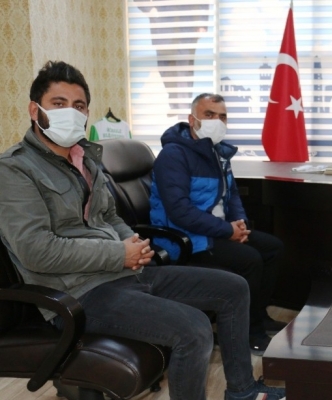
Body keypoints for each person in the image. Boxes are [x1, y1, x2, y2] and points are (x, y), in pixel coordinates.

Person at [0, 61, 285, 400]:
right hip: (79, 292)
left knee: (234, 288)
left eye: (78, 106)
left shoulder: (85, 160)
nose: (71, 113)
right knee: (194, 329)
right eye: (58, 104)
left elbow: (109, 216)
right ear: (35, 110)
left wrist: (131, 243)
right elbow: (36, 250)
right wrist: (118, 253)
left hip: (124, 273)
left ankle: (242, 391)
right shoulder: (15, 170)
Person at [149, 93, 286, 355]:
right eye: (209, 115)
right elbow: (179, 211)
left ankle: (258, 314)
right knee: (250, 260)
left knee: (273, 248)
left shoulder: (218, 151)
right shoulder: (173, 154)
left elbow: (231, 195)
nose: (217, 121)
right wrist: (227, 231)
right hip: (184, 237)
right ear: (192, 120)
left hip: (216, 230)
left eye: (222, 116)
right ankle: (248, 332)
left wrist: (239, 224)